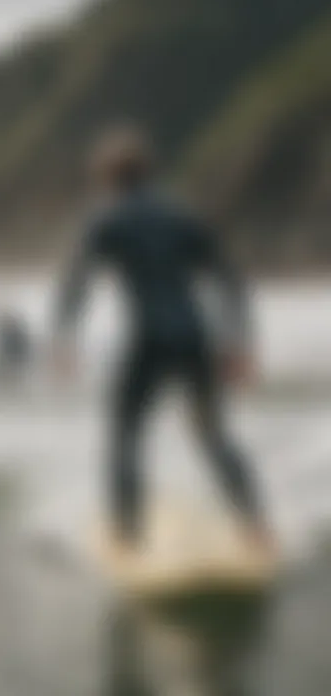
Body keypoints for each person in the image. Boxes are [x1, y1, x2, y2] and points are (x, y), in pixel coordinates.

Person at [52, 125, 274, 557]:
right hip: (195, 340)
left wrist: (65, 336)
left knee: (125, 437)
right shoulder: (182, 216)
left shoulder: (106, 219)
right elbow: (230, 280)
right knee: (213, 436)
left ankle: (127, 536)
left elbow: (77, 281)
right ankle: (257, 526)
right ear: (149, 172)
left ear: (106, 178)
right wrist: (239, 343)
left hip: (148, 342)